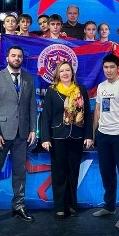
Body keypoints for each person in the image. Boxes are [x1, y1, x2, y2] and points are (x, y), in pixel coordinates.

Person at [0, 46, 38, 229]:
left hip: (22, 134)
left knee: (20, 173)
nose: (17, 58)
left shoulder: (28, 78)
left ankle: (18, 206)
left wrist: (33, 129)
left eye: (19, 56)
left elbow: (32, 106)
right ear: (7, 58)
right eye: (13, 55)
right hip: (2, 135)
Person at [41, 62, 93, 220]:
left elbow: (87, 115)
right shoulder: (52, 91)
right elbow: (46, 116)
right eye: (62, 71)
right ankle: (60, 207)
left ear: (72, 72)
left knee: (73, 172)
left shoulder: (80, 90)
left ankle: (71, 205)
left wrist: (89, 135)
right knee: (59, 173)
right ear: (58, 74)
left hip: (77, 136)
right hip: (57, 137)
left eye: (67, 70)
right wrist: (45, 138)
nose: (65, 73)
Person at [92, 54, 119, 228]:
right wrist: (93, 134)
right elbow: (97, 111)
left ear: (118, 68)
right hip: (103, 136)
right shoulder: (101, 87)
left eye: (112, 67)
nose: (108, 70)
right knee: (106, 174)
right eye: (106, 67)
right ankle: (109, 207)